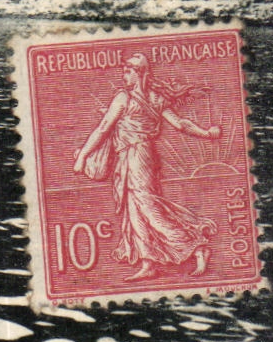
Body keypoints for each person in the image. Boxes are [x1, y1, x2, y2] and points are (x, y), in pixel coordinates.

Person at [74, 52, 220, 280]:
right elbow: (180, 124)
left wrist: (83, 155)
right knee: (136, 209)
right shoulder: (155, 99)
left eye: (128, 71)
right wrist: (207, 133)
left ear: (140, 73)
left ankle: (196, 246)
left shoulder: (124, 98)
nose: (124, 75)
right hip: (140, 157)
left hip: (136, 157)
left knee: (148, 208)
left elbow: (103, 128)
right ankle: (148, 263)